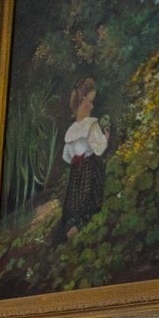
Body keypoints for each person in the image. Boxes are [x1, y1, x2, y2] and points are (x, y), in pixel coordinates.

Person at [57, 78, 107, 242]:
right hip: (90, 168)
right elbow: (99, 147)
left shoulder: (71, 130)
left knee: (76, 201)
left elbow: (67, 156)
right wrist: (105, 138)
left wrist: (77, 157)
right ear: (83, 101)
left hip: (76, 171)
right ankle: (78, 227)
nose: (92, 106)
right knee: (92, 199)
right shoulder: (91, 124)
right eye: (91, 102)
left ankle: (71, 226)